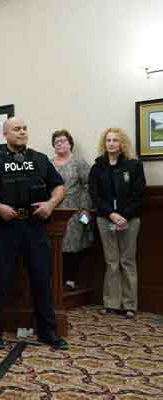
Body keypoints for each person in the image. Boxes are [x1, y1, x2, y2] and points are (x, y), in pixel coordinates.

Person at [0, 117, 68, 351]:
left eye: (25, 128)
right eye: (17, 129)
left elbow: (59, 186)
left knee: (42, 279)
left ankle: (48, 332)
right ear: (5, 135)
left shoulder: (40, 159)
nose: (22, 132)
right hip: (5, 226)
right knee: (0, 280)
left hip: (35, 226)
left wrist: (51, 205)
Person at [88, 128, 145, 318]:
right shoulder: (98, 166)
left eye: (115, 140)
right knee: (112, 261)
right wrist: (111, 214)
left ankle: (130, 304)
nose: (111, 143)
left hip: (130, 219)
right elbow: (95, 195)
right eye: (108, 140)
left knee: (127, 261)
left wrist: (124, 216)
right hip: (105, 219)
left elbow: (138, 195)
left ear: (122, 144)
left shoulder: (134, 165)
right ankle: (111, 303)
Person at [49, 129, 94, 286]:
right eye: (56, 142)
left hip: (76, 210)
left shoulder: (78, 162)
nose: (60, 144)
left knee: (73, 244)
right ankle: (56, 281)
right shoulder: (49, 163)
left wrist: (85, 208)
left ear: (70, 144)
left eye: (63, 141)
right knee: (55, 245)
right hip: (53, 209)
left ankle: (70, 279)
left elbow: (88, 185)